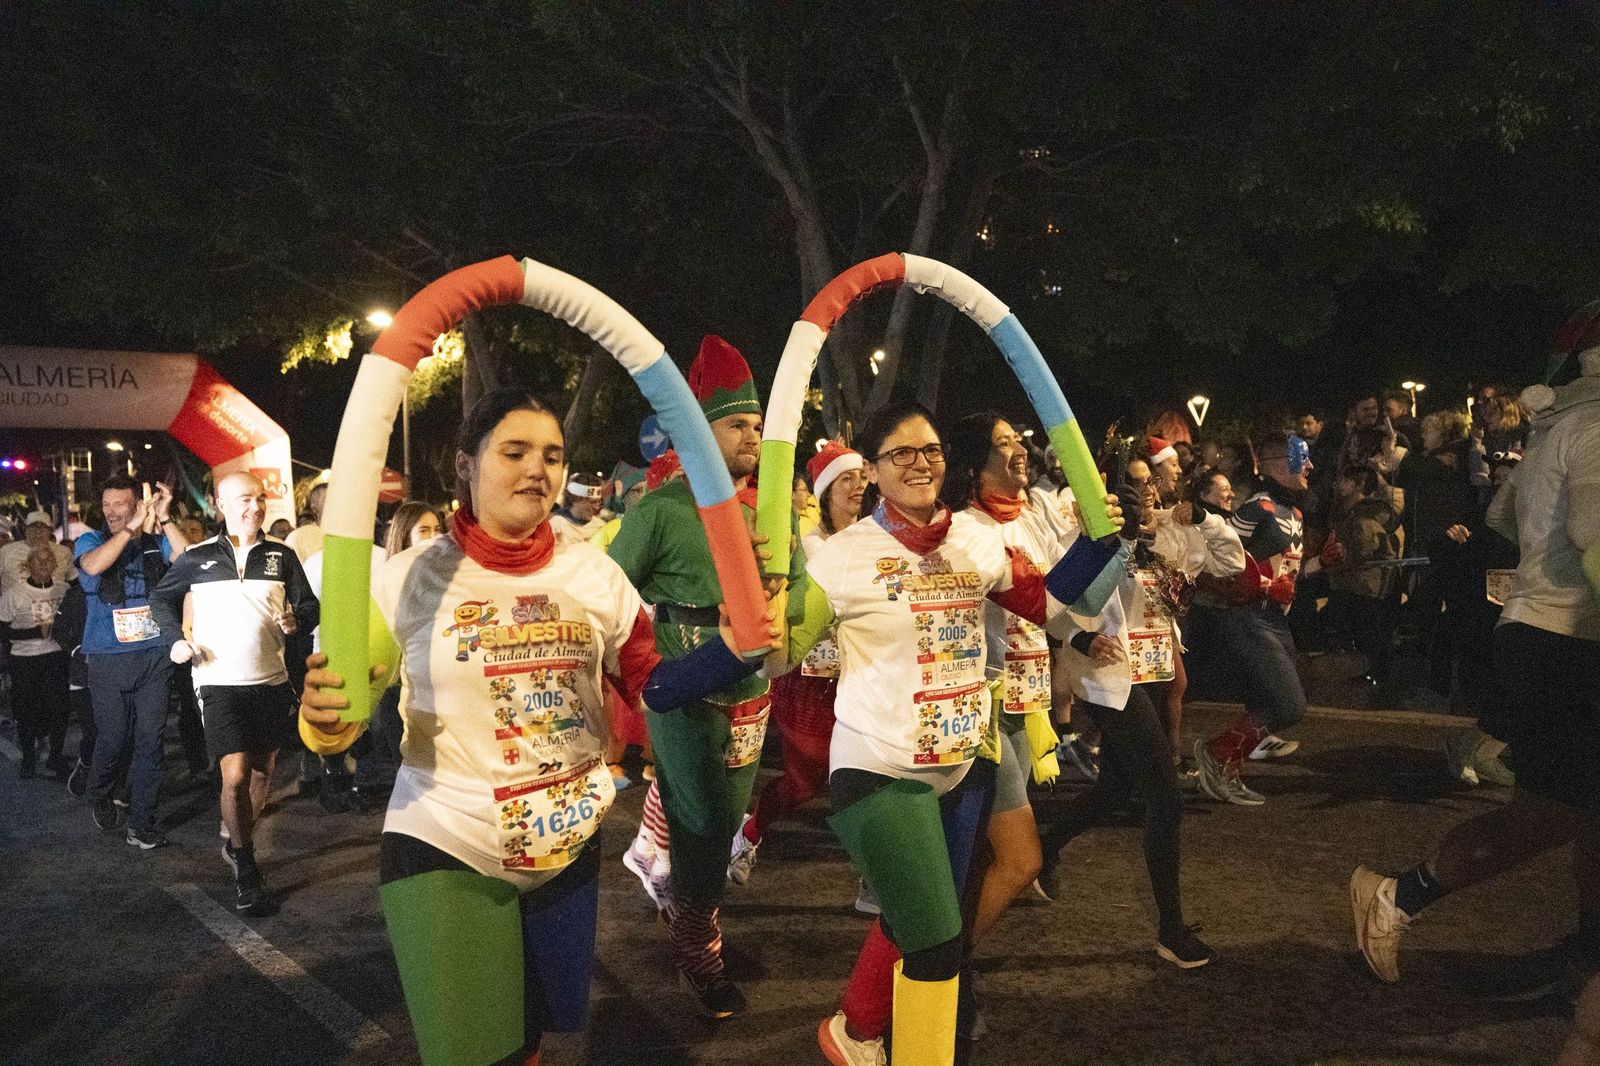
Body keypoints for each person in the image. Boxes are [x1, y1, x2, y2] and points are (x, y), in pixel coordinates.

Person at [297, 387, 780, 1066]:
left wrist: (728, 652)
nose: (538, 470)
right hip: (447, 840)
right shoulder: (404, 577)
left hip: (568, 844)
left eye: (551, 455)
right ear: (466, 464)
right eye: (514, 451)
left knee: (529, 1040)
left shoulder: (594, 573)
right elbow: (344, 707)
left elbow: (654, 686)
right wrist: (323, 725)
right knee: (478, 1054)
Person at [787, 401, 1121, 1066]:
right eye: (900, 453)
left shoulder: (973, 541)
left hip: (965, 759)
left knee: (921, 916)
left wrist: (1099, 542)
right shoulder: (842, 556)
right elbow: (778, 655)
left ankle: (856, 1029)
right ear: (874, 470)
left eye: (930, 450)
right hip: (879, 768)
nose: (919, 463)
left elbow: (1052, 607)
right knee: (938, 941)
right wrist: (766, 603)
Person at [1352, 323, 1600, 997]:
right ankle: (1401, 895)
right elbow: (1596, 544)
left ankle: (1587, 957)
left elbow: (1503, 522)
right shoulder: (1597, 429)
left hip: (1544, 632)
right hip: (1569, 643)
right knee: (1555, 813)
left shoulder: (1558, 426)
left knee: (1583, 809)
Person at [607, 335, 805, 1017]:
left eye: (757, 426)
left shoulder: (772, 513)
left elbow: (804, 591)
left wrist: (789, 619)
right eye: (735, 425)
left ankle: (652, 857)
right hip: (682, 694)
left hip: (754, 699)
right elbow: (605, 595)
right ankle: (700, 948)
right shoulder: (658, 512)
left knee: (724, 819)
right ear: (697, 428)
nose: (752, 437)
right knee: (705, 827)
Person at [1039, 455, 1226, 967]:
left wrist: (1189, 529)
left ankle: (1043, 849)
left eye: (1150, 483)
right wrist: (1083, 630)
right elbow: (1057, 604)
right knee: (1166, 798)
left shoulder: (1166, 533)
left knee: (1116, 787)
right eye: (1134, 485)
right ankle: (1171, 929)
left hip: (1150, 669)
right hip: (1109, 679)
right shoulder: (1089, 538)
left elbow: (1221, 565)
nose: (1146, 492)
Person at [150, 472, 319, 914]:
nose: (255, 507)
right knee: (236, 775)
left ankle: (234, 834)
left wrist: (297, 620)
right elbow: (161, 599)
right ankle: (247, 869)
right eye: (244, 499)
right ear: (221, 505)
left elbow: (309, 605)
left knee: (263, 774)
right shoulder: (197, 557)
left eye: (260, 499)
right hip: (217, 680)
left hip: (271, 680)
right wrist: (175, 640)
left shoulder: (281, 556)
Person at [727, 440, 866, 886]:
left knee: (864, 776)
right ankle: (748, 832)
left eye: (862, 476)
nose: (859, 485)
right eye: (847, 478)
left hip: (860, 680)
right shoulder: (812, 544)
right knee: (804, 783)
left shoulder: (874, 539)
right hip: (810, 682)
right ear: (825, 490)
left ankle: (875, 878)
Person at [1191, 430, 1326, 805]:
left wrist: (1322, 565)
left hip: (1273, 620)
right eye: (1304, 458)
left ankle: (1227, 770)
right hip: (1249, 618)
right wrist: (1265, 588)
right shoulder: (1258, 510)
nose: (1311, 466)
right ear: (1281, 465)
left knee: (1269, 704)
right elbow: (1213, 563)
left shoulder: (1293, 513)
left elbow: (1288, 575)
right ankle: (1217, 753)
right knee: (1288, 705)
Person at [74, 475, 190, 846]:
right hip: (108, 659)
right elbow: (92, 567)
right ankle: (99, 791)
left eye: (118, 505)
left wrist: (165, 517)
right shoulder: (92, 540)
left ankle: (142, 823)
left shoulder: (156, 545)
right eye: (106, 505)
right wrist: (127, 531)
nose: (111, 512)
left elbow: (189, 561)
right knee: (114, 737)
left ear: (135, 506)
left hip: (154, 656)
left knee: (150, 741)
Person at [0, 545, 70, 778]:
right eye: (37, 561)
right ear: (27, 565)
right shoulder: (14, 594)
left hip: (55, 656)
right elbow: (2, 631)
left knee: (59, 709)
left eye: (47, 561)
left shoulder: (64, 590)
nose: (42, 565)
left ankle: (56, 757)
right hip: (24, 659)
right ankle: (29, 758)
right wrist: (32, 633)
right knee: (26, 712)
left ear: (55, 565)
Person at [0, 509, 76, 594]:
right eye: (33, 528)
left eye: (43, 528)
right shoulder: (7, 551)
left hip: (55, 605)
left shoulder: (64, 552)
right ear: (26, 530)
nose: (38, 532)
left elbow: (74, 579)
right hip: (16, 605)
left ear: (50, 531)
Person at [548, 471, 606, 545]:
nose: (597, 507)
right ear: (575, 500)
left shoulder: (600, 526)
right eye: (592, 502)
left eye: (598, 502)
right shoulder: (556, 526)